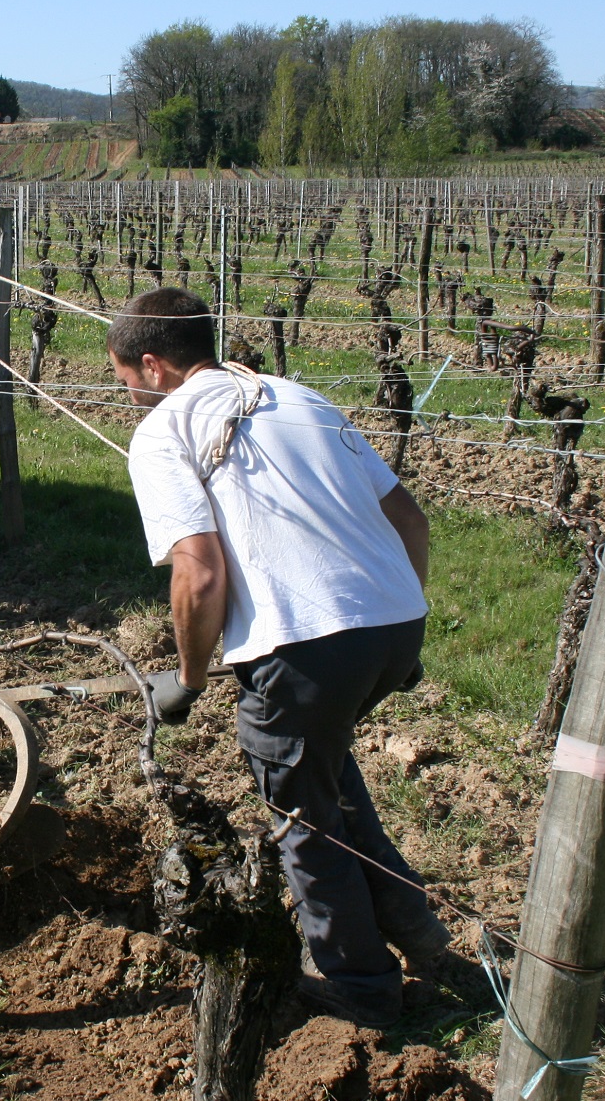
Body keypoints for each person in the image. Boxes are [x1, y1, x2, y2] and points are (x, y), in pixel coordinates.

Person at [109, 287, 450, 1028]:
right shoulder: (302, 397)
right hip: (396, 623)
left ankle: (362, 990)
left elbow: (198, 571)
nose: (128, 398)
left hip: (307, 645)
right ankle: (420, 933)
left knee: (300, 811)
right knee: (325, 774)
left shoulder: (165, 429)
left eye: (126, 383)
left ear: (152, 364)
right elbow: (409, 519)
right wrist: (396, 627)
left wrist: (189, 679)